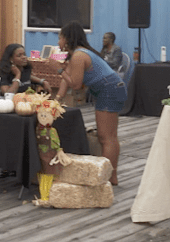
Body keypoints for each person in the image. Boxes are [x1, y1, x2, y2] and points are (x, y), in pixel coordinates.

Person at [49, 21, 127, 186]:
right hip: (111, 89)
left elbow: (75, 84)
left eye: (59, 38)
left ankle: (108, 177)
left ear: (68, 39)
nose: (58, 42)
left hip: (109, 90)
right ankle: (111, 177)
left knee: (107, 137)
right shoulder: (76, 54)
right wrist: (56, 101)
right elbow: (65, 82)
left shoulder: (78, 55)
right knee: (109, 136)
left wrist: (58, 69)